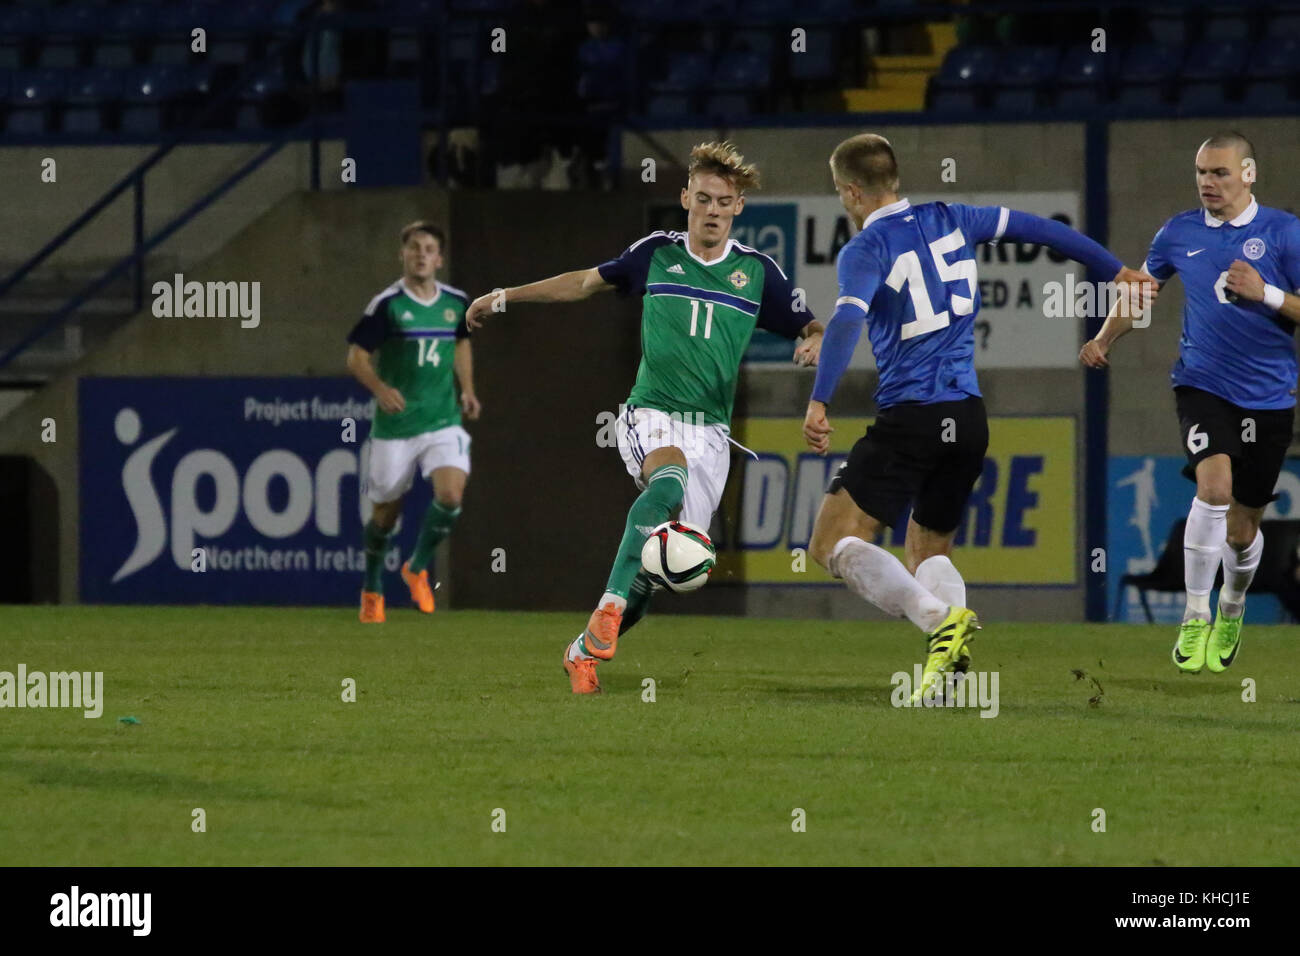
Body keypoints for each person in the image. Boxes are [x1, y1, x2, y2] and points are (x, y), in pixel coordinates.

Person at [806, 132, 1155, 702]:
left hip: (911, 414)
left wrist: (820, 398)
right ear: (893, 177)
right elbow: (1042, 230)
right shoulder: (954, 216)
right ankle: (950, 676)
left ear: (850, 191)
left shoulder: (865, 250)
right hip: (968, 418)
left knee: (830, 542)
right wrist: (1115, 270)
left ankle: (937, 621)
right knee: (929, 549)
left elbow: (847, 321)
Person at [466, 142, 824, 694]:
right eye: (701, 198)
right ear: (684, 199)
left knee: (674, 569)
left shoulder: (756, 273)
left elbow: (810, 324)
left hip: (713, 434)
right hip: (651, 411)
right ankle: (608, 605)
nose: (710, 210)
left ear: (737, 208)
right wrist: (506, 296)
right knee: (669, 477)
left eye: (722, 202)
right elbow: (583, 282)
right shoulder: (657, 254)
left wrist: (814, 341)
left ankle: (585, 647)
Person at [1082, 131, 1300, 673]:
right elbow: (1140, 292)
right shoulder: (1177, 232)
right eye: (1201, 172)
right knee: (1214, 487)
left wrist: (1266, 294)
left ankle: (1231, 605)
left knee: (1243, 528)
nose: (1208, 182)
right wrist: (1104, 338)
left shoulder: (1285, 234)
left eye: (1220, 172)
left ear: (1247, 174)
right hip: (1202, 384)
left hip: (1269, 398)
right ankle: (1195, 613)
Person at [346, 221, 481, 623]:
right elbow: (356, 357)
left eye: (429, 249)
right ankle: (372, 586)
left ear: (439, 259)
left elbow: (461, 342)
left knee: (451, 496)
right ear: (402, 255)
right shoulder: (387, 305)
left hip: (442, 418)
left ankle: (417, 566)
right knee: (385, 514)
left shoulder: (456, 303)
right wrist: (380, 388)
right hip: (397, 426)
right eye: (414, 248)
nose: (421, 254)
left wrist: (467, 389)